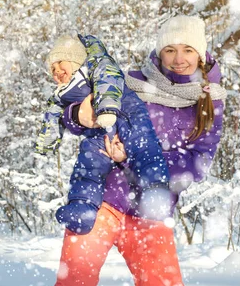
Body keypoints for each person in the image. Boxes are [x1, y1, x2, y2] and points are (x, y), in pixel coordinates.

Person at [55, 16, 227, 286]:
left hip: (151, 210)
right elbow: (75, 117)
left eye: (188, 50)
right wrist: (78, 114)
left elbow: (197, 164)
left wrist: (132, 158)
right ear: (160, 53)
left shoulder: (209, 102)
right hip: (101, 201)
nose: (179, 58)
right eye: (170, 50)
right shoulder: (131, 83)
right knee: (74, 281)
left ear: (201, 55)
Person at [35, 34, 171, 235]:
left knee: (143, 146)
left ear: (75, 60)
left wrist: (106, 108)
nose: (57, 72)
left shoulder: (95, 66)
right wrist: (47, 140)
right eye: (52, 69)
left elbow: (108, 79)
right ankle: (82, 209)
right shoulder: (61, 92)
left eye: (60, 63)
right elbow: (54, 114)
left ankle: (155, 191)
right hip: (98, 132)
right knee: (88, 165)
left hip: (126, 112)